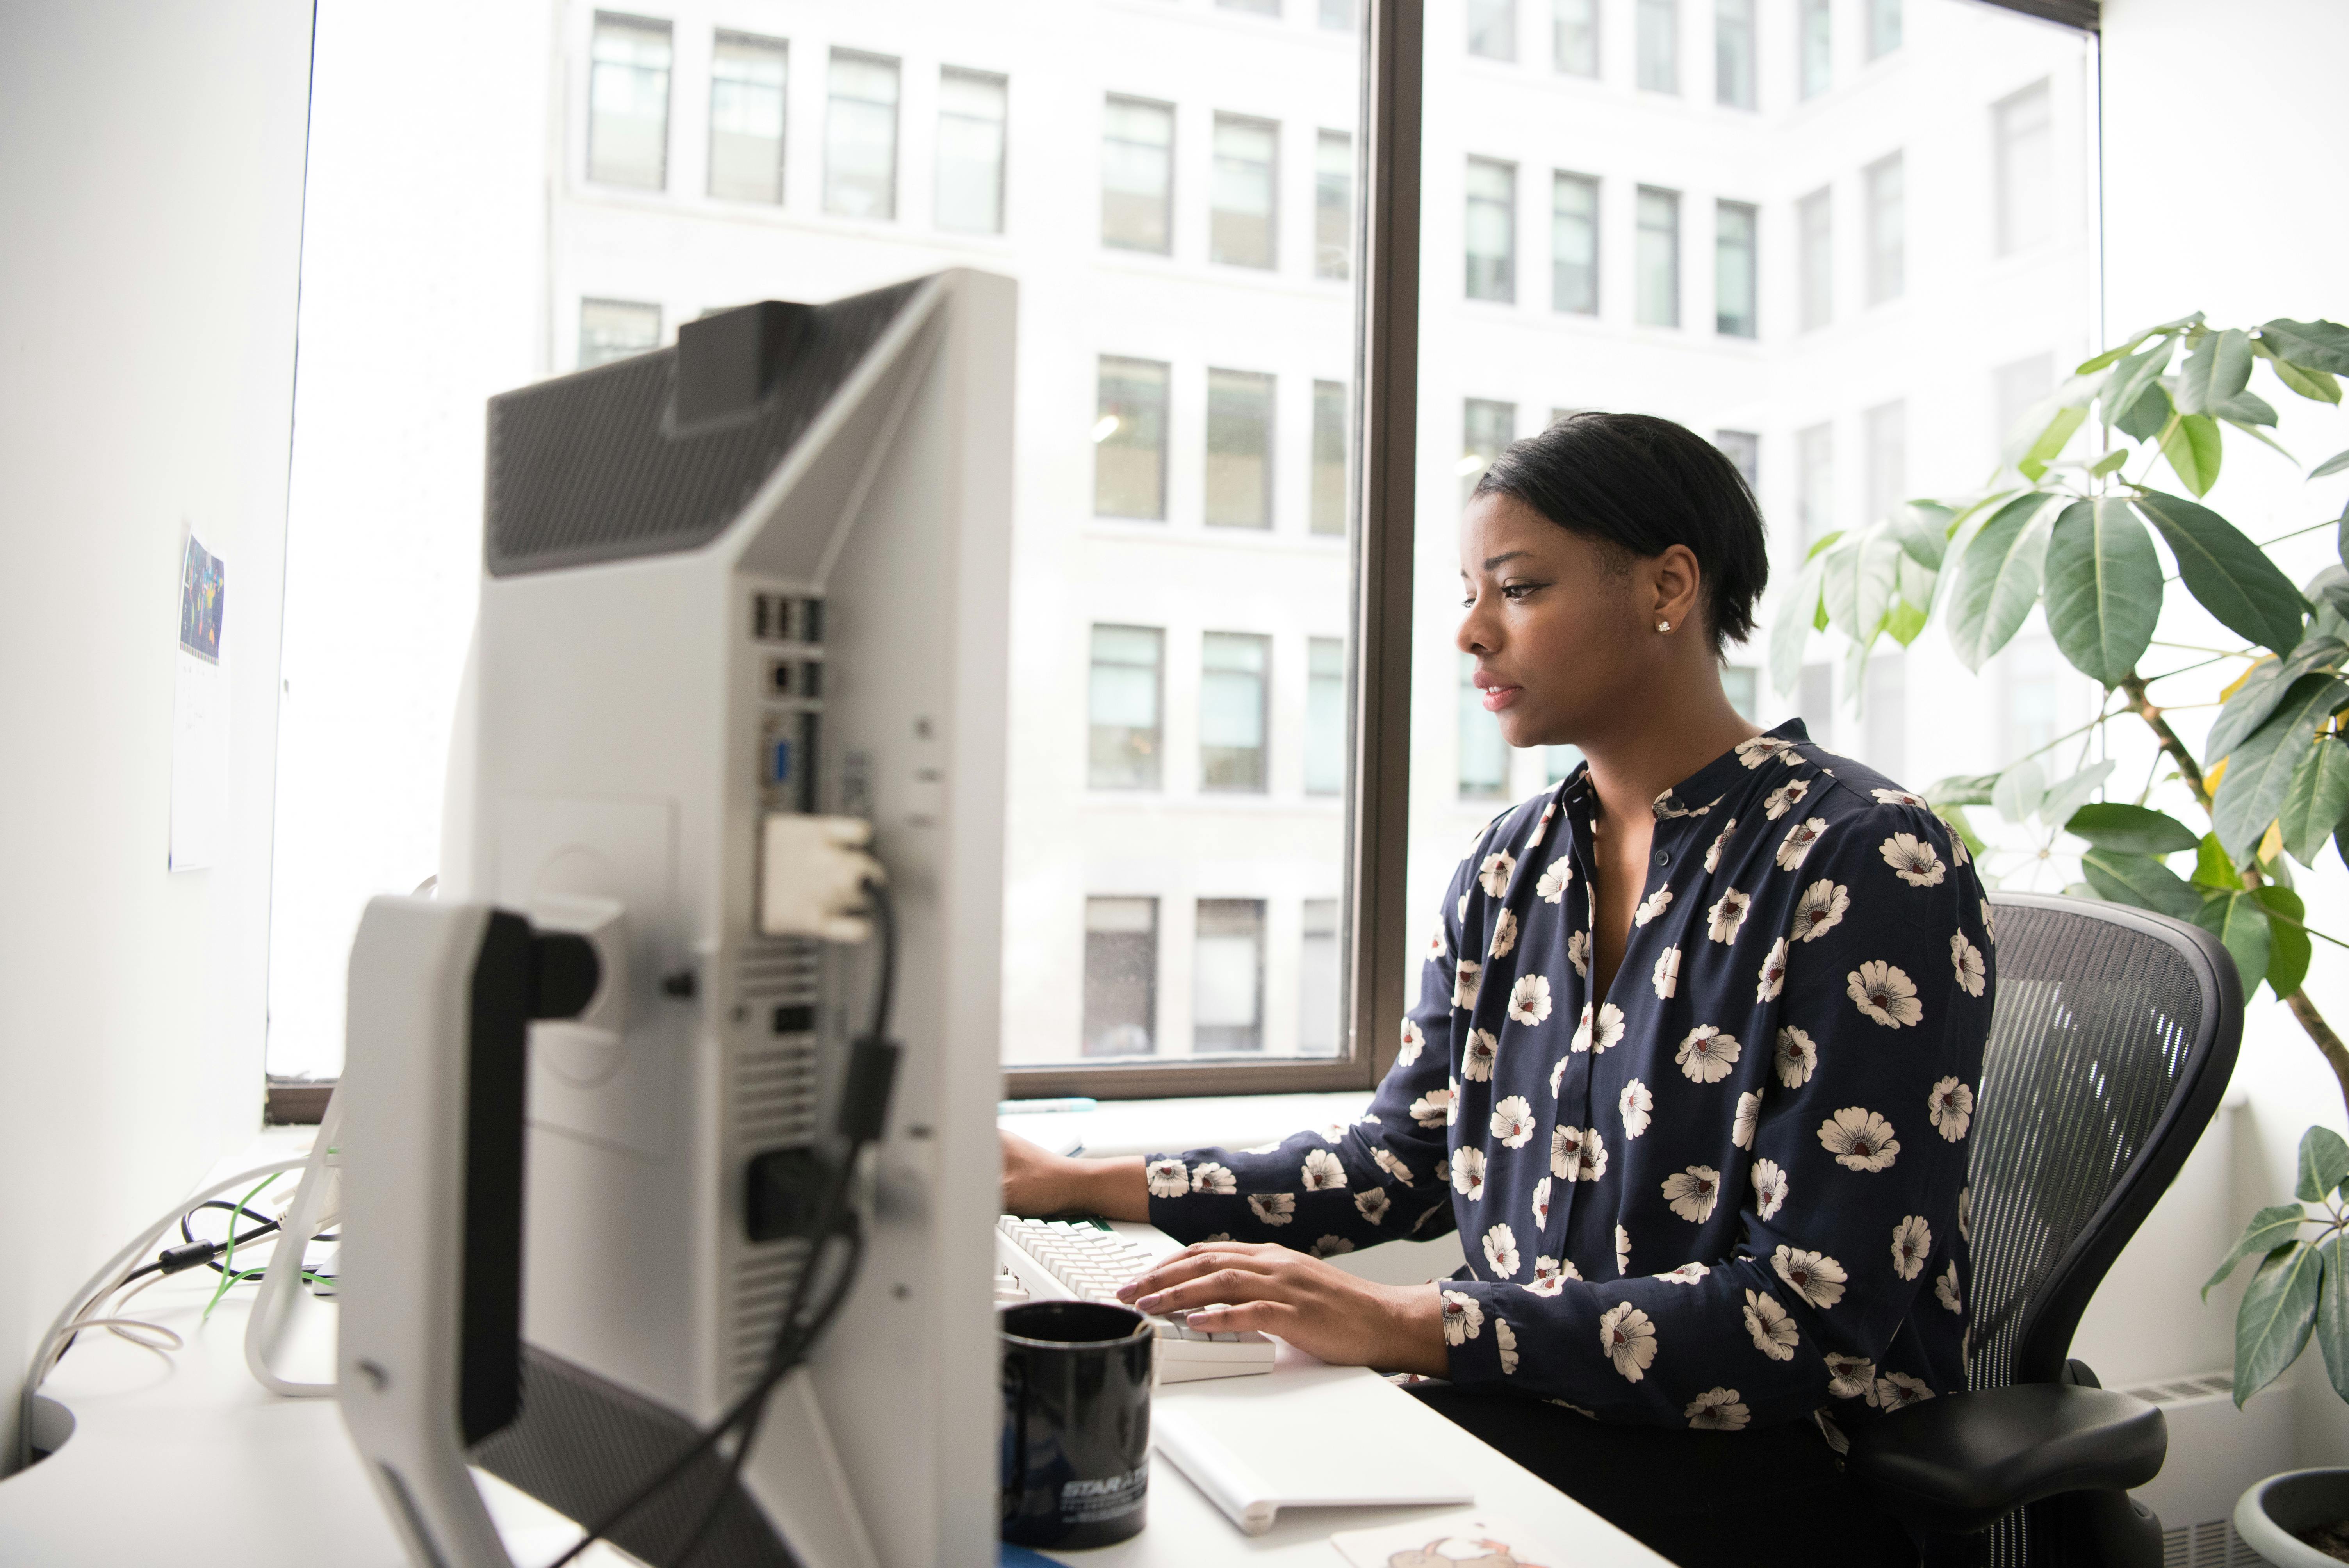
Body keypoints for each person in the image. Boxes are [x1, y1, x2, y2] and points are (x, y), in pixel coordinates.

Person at [1000, 411, 1991, 1567]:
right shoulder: (1515, 861)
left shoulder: (1867, 859)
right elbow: (1403, 1162)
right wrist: (1078, 1184)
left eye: (1517, 589)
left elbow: (1806, 1318)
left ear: (1669, 586)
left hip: (1781, 1464)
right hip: (1532, 1415)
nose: (1472, 632)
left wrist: (1408, 1323)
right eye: (1472, 592)